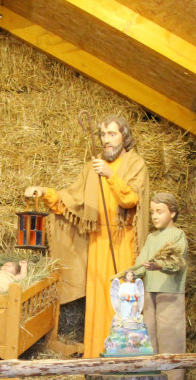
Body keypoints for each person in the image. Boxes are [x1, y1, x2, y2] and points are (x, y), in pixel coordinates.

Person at [25, 114, 150, 358]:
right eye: (102, 135)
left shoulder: (136, 164)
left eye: (112, 134)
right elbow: (71, 200)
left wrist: (110, 176)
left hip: (123, 240)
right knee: (98, 301)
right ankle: (95, 357)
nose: (106, 140)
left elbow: (131, 199)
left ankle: (122, 358)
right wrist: (45, 192)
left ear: (124, 137)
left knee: (121, 298)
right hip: (98, 241)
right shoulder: (92, 168)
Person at [122, 191, 188, 380]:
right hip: (150, 293)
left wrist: (159, 266)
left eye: (160, 211)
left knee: (170, 336)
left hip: (170, 293)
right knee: (149, 335)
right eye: (152, 212)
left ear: (172, 213)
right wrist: (131, 273)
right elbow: (142, 262)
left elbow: (177, 263)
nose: (155, 216)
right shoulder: (152, 238)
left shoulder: (177, 235)